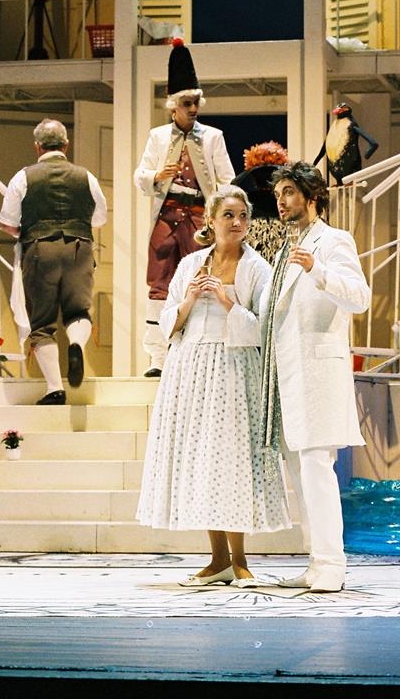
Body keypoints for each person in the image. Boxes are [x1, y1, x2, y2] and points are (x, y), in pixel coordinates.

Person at [137, 185, 291, 586]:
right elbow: (169, 321)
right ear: (211, 220)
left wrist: (226, 301)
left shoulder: (256, 267)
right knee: (204, 462)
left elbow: (265, 328)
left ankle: (240, 559)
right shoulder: (191, 263)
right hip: (190, 369)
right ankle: (218, 558)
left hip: (234, 368)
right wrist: (189, 299)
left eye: (243, 216)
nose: (237, 223)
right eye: (228, 215)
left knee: (233, 461)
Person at [260, 161, 370, 592]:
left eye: (289, 192)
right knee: (301, 473)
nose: (281, 201)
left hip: (318, 372)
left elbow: (359, 297)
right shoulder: (284, 251)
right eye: (278, 195)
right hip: (288, 376)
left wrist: (318, 271)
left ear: (311, 197)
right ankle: (315, 562)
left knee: (316, 469)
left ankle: (331, 565)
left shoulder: (333, 240)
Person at [133, 39, 234, 378]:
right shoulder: (158, 136)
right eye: (186, 103)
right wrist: (157, 176)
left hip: (198, 218)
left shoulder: (213, 137)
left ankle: (197, 350)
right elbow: (139, 176)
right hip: (167, 217)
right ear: (173, 106)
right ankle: (157, 356)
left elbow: (228, 180)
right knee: (159, 284)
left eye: (195, 103)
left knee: (202, 279)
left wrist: (221, 213)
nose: (193, 109)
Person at [0, 118, 107, 405]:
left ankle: (54, 388)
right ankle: (76, 344)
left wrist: (29, 230)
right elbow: (99, 218)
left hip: (39, 250)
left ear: (37, 146)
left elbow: (7, 221)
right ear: (66, 145)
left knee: (42, 322)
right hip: (79, 249)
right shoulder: (86, 176)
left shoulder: (23, 177)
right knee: (78, 311)